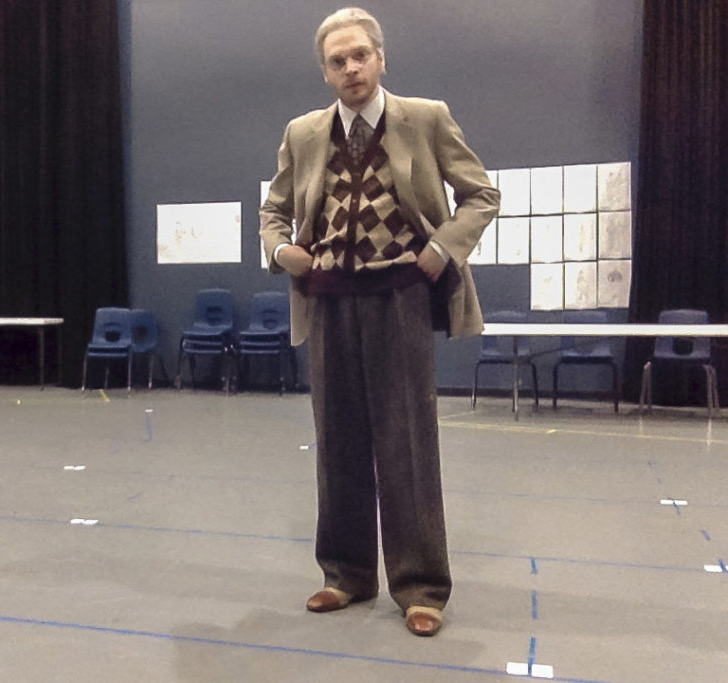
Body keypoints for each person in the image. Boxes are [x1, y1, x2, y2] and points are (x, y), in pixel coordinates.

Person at [259, 7, 500, 637]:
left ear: (380, 58)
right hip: (328, 298)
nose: (350, 68)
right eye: (337, 61)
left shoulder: (424, 117)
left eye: (360, 55)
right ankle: (345, 575)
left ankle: (420, 587)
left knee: (407, 442)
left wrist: (443, 247)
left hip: (399, 297)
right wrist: (282, 250)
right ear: (325, 71)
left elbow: (481, 194)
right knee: (336, 441)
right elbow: (274, 210)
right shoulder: (304, 132)